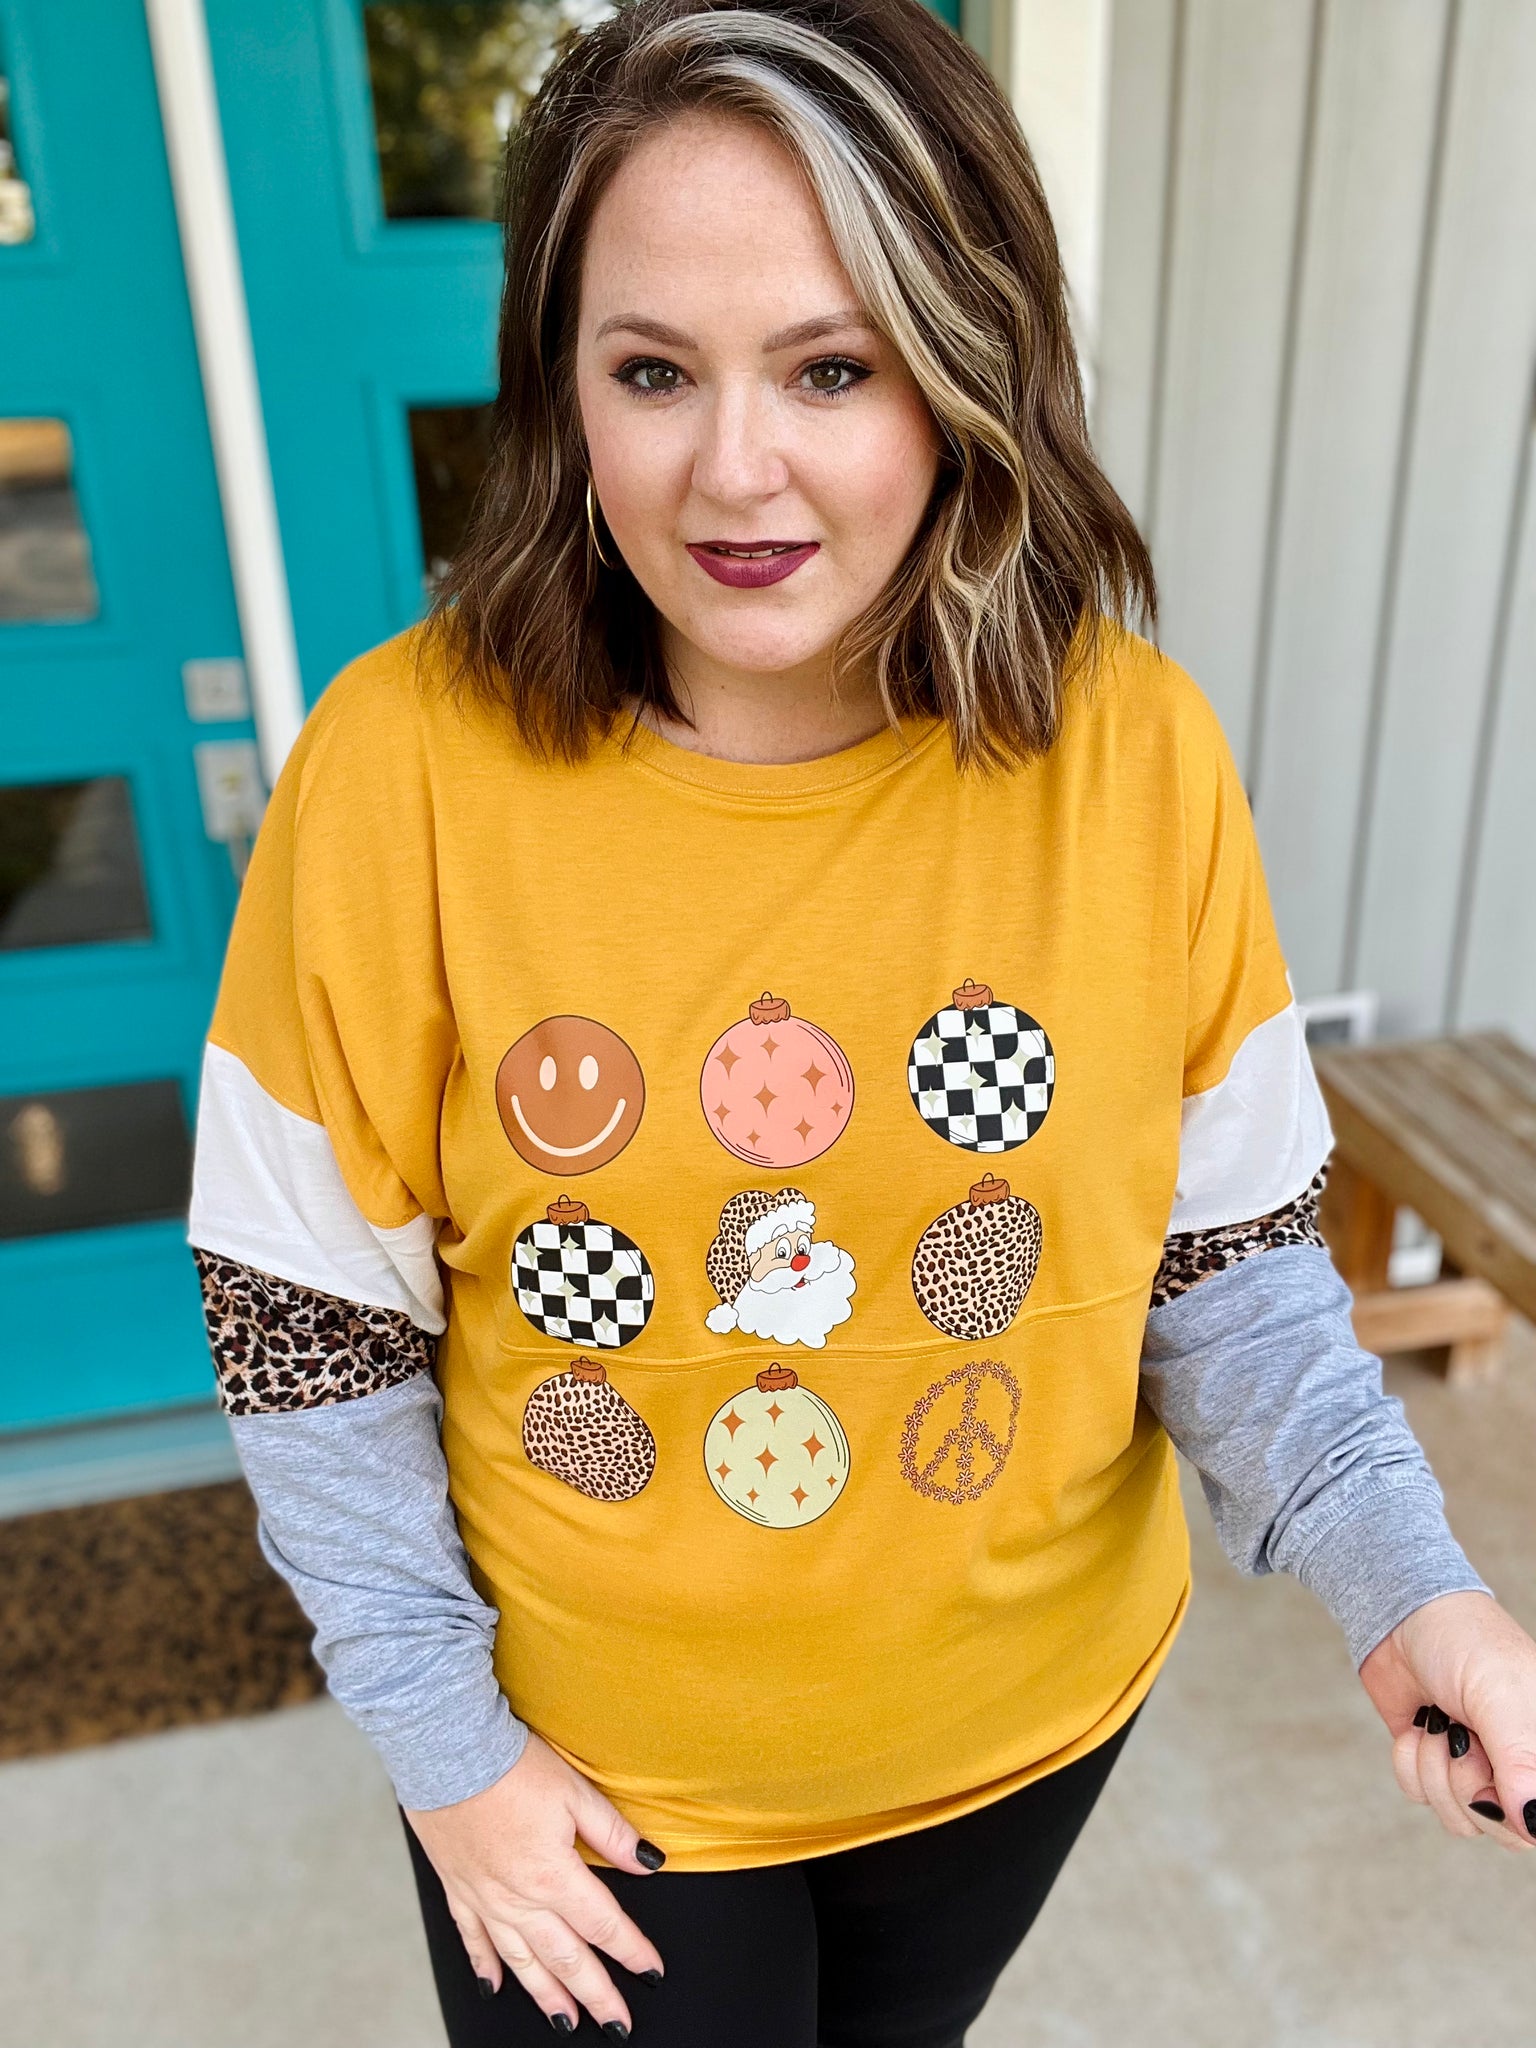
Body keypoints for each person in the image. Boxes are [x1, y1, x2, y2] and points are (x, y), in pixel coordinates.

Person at [186, 1, 1536, 2041]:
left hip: (1028, 1733)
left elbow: (1228, 1262)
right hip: (598, 1802)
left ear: (966, 362)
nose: (736, 470)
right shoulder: (400, 774)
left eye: (832, 366)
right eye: (654, 371)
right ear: (565, 387)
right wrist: (448, 1758)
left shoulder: (1137, 756)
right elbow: (306, 1322)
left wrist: (1415, 1590)